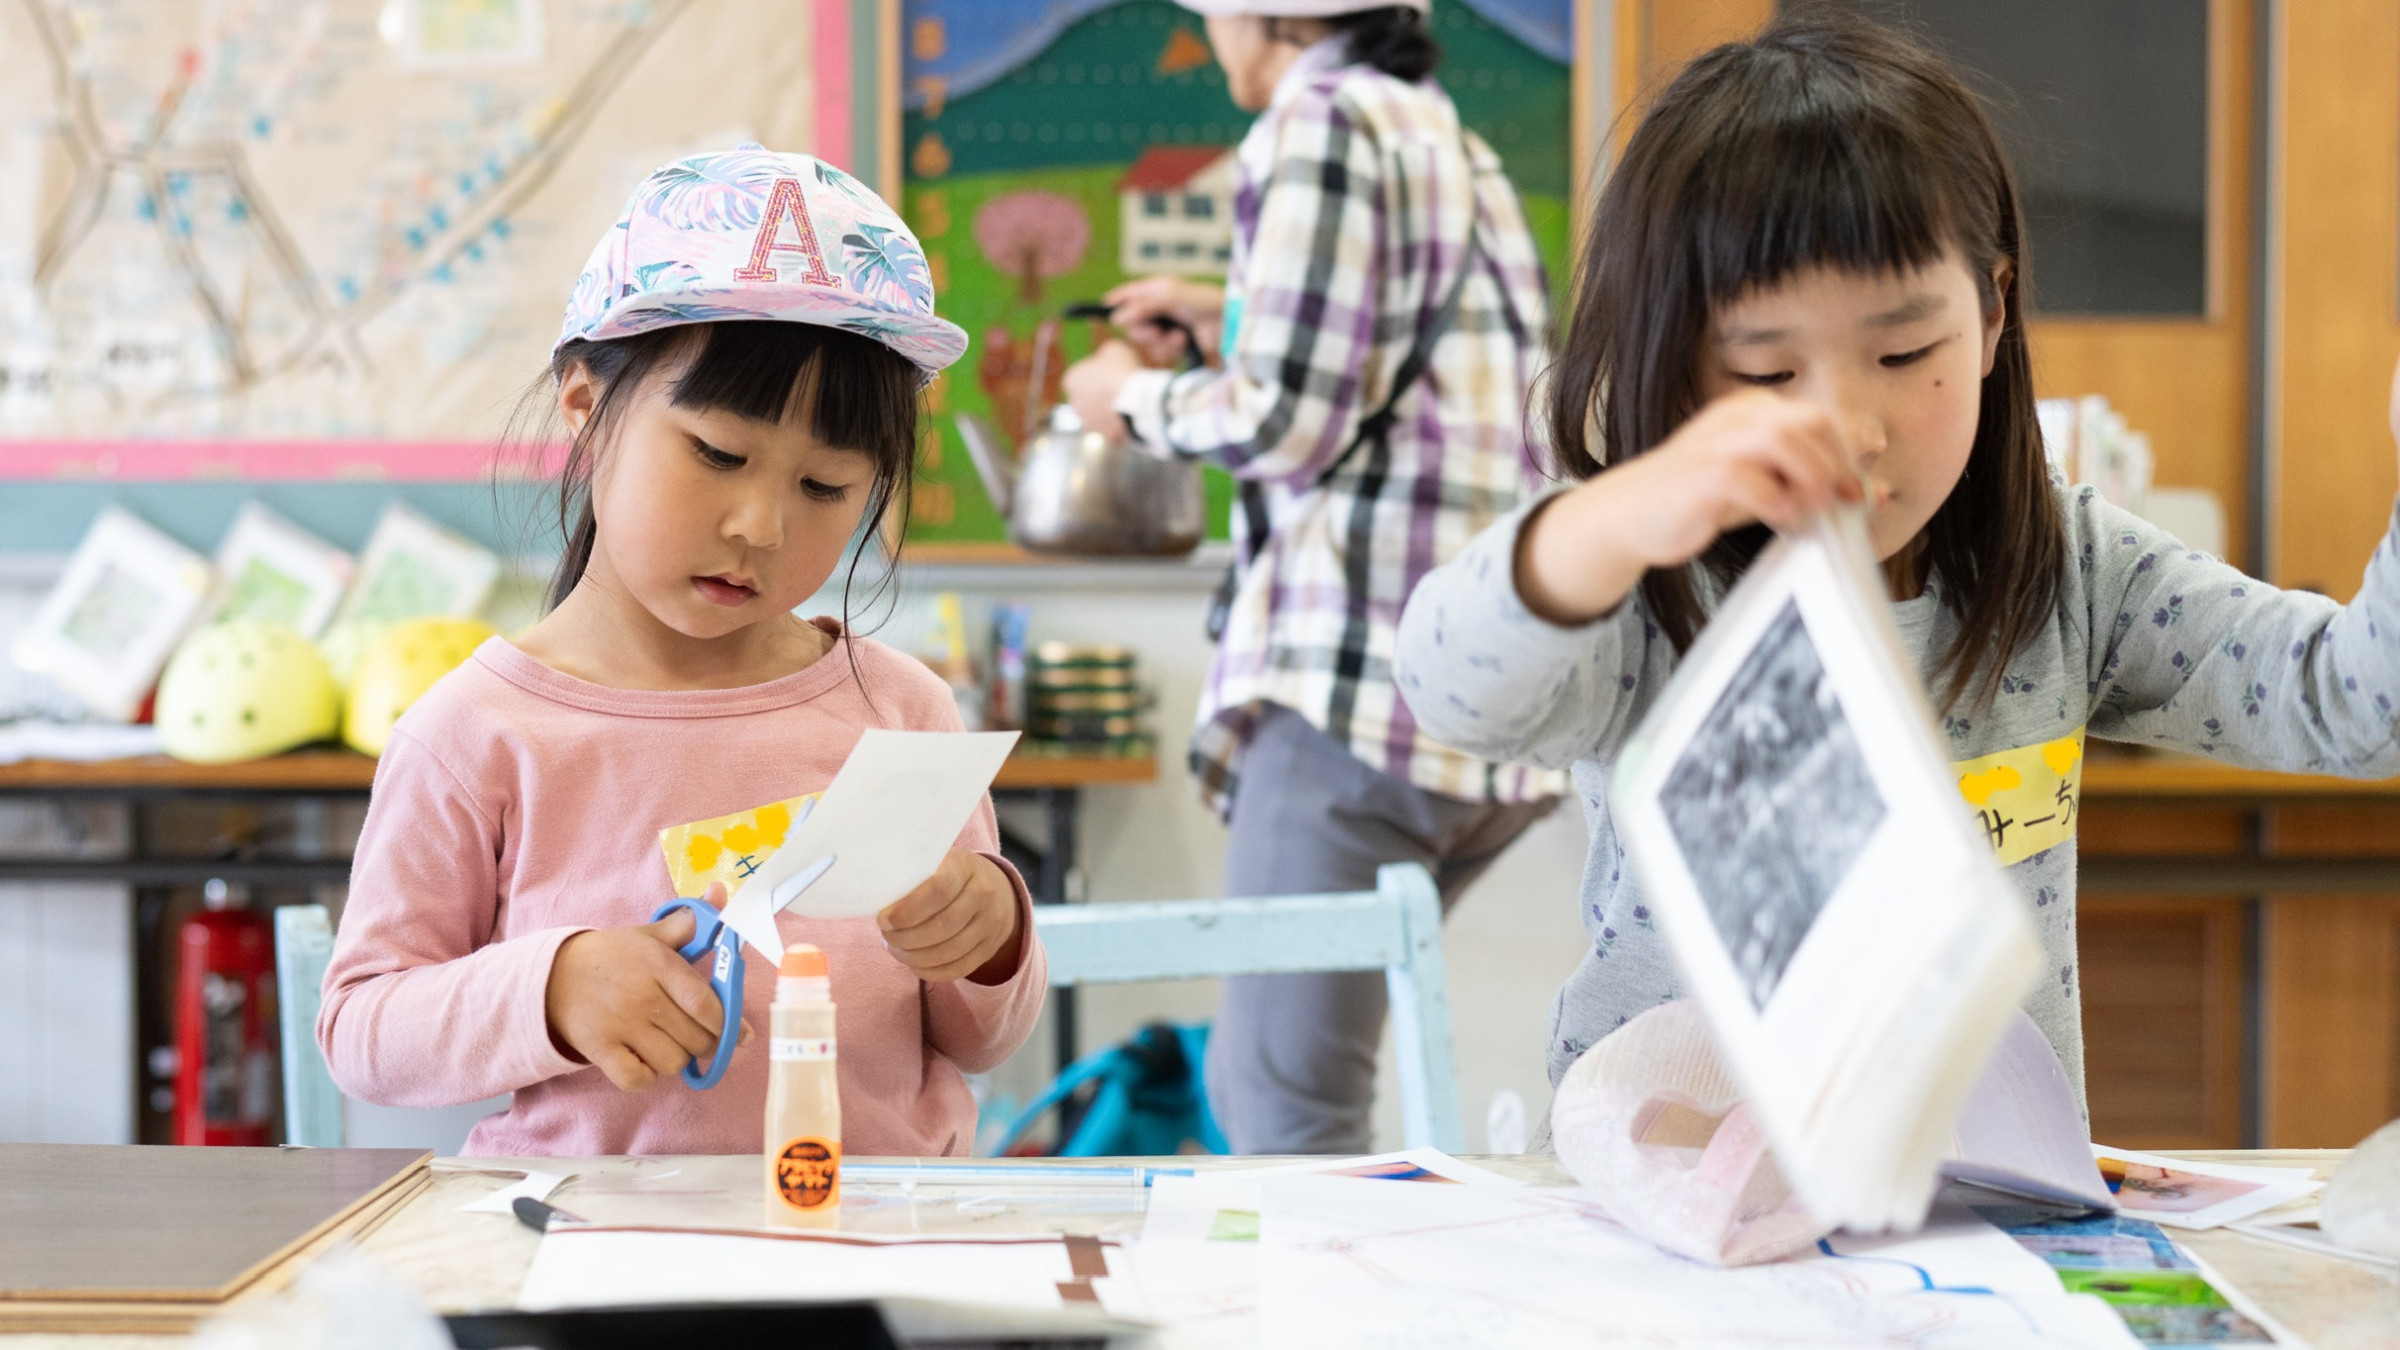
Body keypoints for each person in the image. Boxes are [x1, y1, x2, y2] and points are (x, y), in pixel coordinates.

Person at [1395, 16, 2400, 1102]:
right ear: (1674, 363)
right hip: (1675, 1202)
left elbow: (2350, 704)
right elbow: (1450, 692)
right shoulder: (1647, 588)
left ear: (1995, 310)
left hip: (1975, 1215)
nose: (1852, 426)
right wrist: (1616, 515)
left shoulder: (2068, 569)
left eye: (1905, 352)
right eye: (1767, 371)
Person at [318, 147, 1046, 1156]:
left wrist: (991, 935)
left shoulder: (901, 711)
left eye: (825, 487)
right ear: (584, 406)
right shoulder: (474, 733)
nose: (758, 525)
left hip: (873, 1257)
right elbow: (363, 1033)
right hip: (585, 1263)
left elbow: (980, 1038)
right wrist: (555, 986)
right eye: (716, 455)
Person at [1058, 1, 1563, 1155]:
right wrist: (1219, 310)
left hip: (1355, 694)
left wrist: (1118, 400)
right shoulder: (1448, 138)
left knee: (1279, 1107)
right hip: (1481, 691)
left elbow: (1282, 417)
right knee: (1307, 1085)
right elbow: (1402, 370)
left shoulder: (1315, 125)